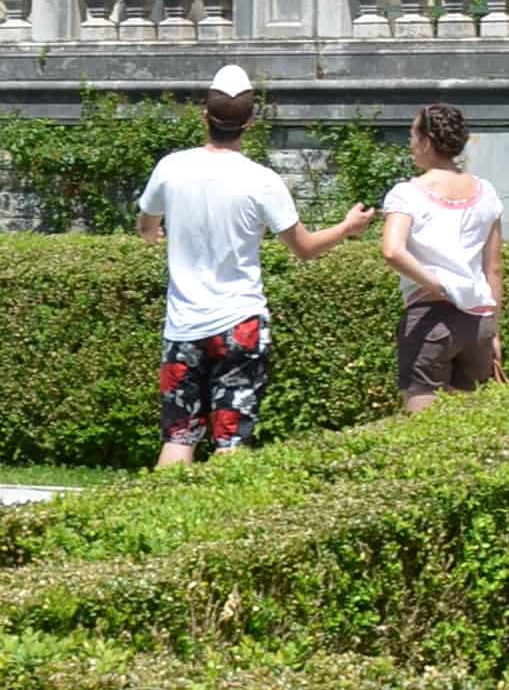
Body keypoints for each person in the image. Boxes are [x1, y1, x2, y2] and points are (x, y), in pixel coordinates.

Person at [136, 64, 371, 469]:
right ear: (250, 123)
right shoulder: (261, 180)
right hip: (240, 324)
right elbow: (306, 248)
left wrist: (154, 233)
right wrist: (348, 227)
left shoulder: (171, 167)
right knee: (230, 445)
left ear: (203, 116)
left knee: (178, 438)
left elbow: (146, 225)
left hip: (183, 325)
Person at [379, 103, 504, 412]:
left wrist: (435, 284)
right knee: (470, 422)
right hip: (478, 322)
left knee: (421, 418)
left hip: (429, 318)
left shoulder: (406, 194)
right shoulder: (487, 192)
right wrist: (495, 331)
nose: (410, 145)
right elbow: (494, 268)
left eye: (412, 136)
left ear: (425, 141)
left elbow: (392, 250)